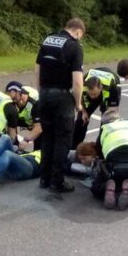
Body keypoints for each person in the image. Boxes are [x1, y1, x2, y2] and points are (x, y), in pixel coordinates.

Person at [35, 18, 86, 193]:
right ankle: (57, 182)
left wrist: (41, 92)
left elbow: (37, 69)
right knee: (62, 140)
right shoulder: (74, 46)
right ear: (78, 31)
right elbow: (78, 82)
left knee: (48, 138)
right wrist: (78, 103)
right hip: (62, 98)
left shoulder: (48, 40)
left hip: (45, 95)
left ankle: (44, 178)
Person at [90, 113, 128, 210]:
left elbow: (100, 155)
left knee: (95, 187)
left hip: (114, 167)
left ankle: (109, 187)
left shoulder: (105, 129)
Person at [71, 67, 121, 148]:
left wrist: (106, 116)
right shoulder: (83, 83)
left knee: (107, 122)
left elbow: (113, 109)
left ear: (101, 88)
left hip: (108, 93)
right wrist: (84, 112)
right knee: (81, 120)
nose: (93, 97)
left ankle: (101, 147)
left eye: (94, 94)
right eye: (90, 94)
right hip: (94, 89)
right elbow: (79, 98)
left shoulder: (113, 86)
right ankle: (74, 146)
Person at [17, 85, 42, 150]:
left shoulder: (37, 106)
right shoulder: (17, 105)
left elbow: (39, 128)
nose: (20, 100)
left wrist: (26, 140)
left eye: (22, 96)